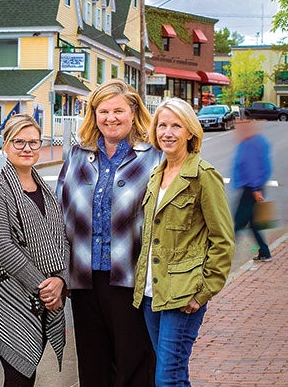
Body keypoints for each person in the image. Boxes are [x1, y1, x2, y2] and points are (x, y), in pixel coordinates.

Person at [56, 78, 163, 386]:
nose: (111, 118)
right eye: (103, 111)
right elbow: (61, 213)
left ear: (133, 113)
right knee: (92, 363)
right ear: (94, 115)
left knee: (134, 363)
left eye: (118, 110)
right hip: (84, 278)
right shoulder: (78, 155)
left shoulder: (153, 157)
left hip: (131, 278)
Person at [132, 97, 235, 386]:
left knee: (167, 378)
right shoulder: (156, 174)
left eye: (176, 126)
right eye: (162, 125)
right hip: (153, 292)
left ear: (190, 131)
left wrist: (202, 292)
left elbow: (223, 240)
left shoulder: (203, 176)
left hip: (184, 295)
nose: (168, 132)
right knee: (174, 374)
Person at [0, 114, 70, 386]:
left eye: (33, 142)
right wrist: (46, 287)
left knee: (28, 373)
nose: (27, 148)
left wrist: (61, 280)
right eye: (19, 142)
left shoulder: (46, 190)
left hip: (40, 300)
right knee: (19, 374)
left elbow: (62, 238)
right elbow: (1, 246)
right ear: (5, 145)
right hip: (6, 298)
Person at [232, 120, 273, 261]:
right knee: (254, 224)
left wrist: (255, 189)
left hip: (251, 189)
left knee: (238, 222)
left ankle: (225, 253)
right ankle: (264, 252)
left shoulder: (250, 144)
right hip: (254, 187)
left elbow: (252, 167)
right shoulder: (258, 141)